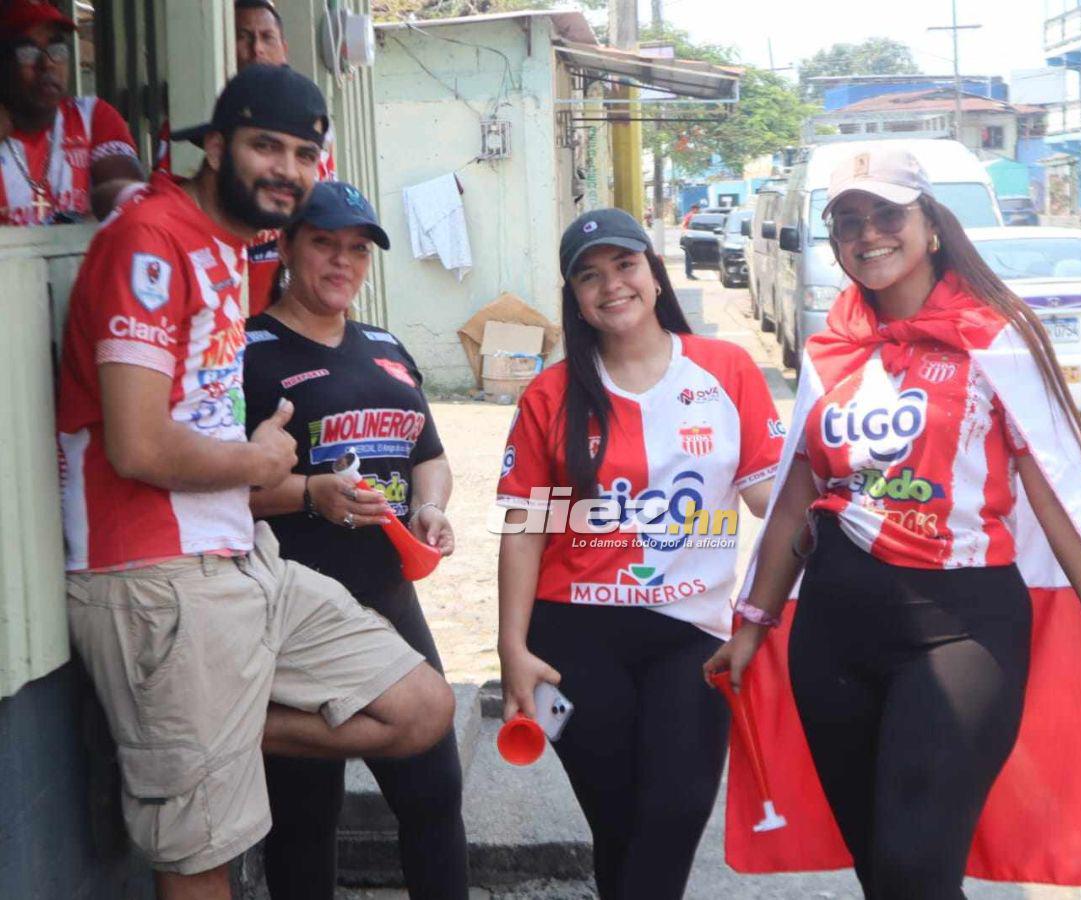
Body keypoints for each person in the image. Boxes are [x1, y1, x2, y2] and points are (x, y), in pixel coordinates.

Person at [705, 148, 1081, 896]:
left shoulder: (997, 338)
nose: (869, 235)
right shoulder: (833, 350)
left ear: (931, 227)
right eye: (849, 222)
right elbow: (799, 493)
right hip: (834, 632)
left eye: (888, 214)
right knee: (880, 871)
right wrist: (754, 624)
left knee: (916, 866)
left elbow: (1055, 492)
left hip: (964, 626)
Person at [57, 65, 454, 900]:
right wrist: (270, 467)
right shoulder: (150, 241)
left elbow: (428, 449)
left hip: (243, 559)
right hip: (155, 575)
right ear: (216, 148)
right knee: (209, 863)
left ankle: (180, 733)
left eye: (302, 153)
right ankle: (170, 733)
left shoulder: (222, 251)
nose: (285, 167)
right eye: (264, 145)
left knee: (421, 708)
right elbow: (134, 444)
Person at [496, 208, 785, 899]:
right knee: (620, 822)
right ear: (575, 298)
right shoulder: (550, 394)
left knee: (675, 813)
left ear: (655, 275)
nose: (611, 285)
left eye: (625, 265)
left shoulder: (727, 369)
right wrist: (510, 648)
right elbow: (523, 527)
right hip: (572, 633)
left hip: (695, 633)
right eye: (589, 276)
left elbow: (771, 498)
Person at [241, 180, 469, 900]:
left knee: (435, 790)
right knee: (308, 815)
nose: (343, 263)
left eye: (358, 251)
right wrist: (311, 493)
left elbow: (426, 453)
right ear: (285, 246)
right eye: (325, 245)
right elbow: (223, 490)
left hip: (389, 595)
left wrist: (430, 507)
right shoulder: (251, 351)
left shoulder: (385, 345)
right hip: (300, 606)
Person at [152, 0, 336, 315]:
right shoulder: (150, 234)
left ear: (284, 48)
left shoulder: (311, 127)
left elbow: (324, 225)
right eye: (264, 146)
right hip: (209, 298)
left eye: (267, 38)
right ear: (215, 147)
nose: (256, 50)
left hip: (280, 313)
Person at [0, 0, 143, 225]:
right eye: (27, 51)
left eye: (57, 49)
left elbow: (128, 194)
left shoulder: (91, 116)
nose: (47, 63)